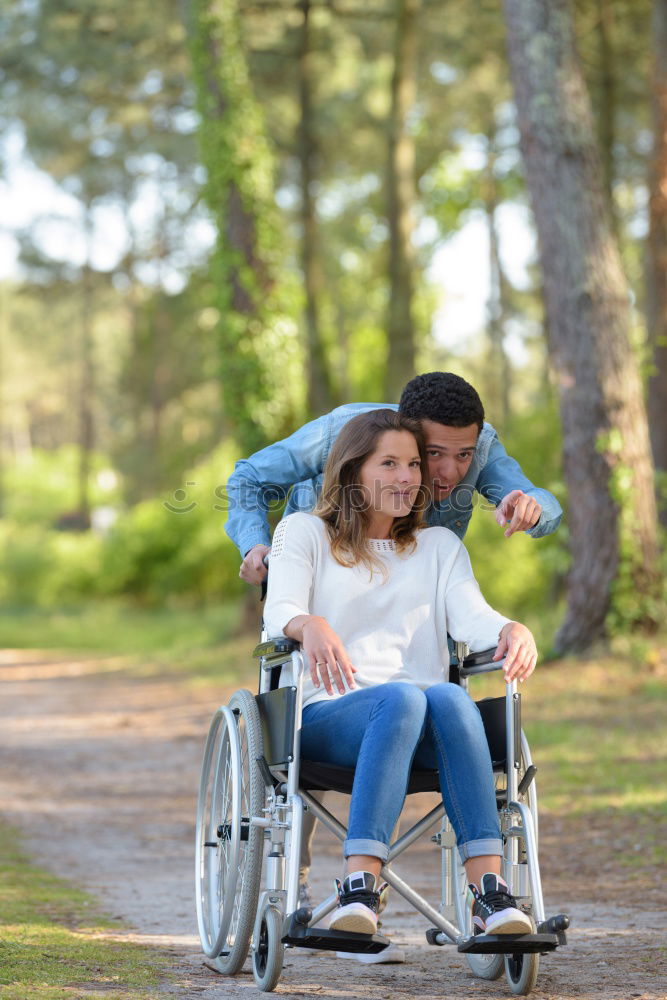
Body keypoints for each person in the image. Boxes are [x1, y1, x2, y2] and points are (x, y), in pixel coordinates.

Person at [264, 409, 538, 944]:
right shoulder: (305, 533)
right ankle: (358, 885)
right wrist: (308, 623)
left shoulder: (438, 548)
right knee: (403, 700)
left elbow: (474, 616)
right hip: (329, 717)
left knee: (450, 699)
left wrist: (510, 628)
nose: (407, 477)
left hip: (425, 724)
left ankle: (490, 892)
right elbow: (281, 608)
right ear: (352, 472)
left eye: (413, 464)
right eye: (388, 463)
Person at [226, 372, 562, 587]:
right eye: (433, 453)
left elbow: (541, 502)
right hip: (322, 583)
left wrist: (532, 508)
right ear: (406, 433)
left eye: (463, 455)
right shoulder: (341, 432)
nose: (450, 472)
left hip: (410, 594)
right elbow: (249, 479)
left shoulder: (483, 446)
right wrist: (256, 545)